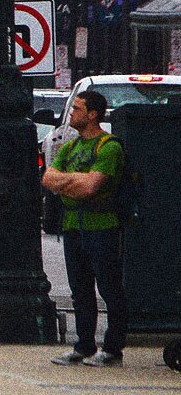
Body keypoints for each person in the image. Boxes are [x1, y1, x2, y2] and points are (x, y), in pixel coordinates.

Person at [44, 89, 129, 366]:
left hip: (102, 225)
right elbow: (49, 178)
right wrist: (76, 182)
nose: (72, 113)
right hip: (73, 225)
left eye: (77, 108)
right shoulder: (70, 146)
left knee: (109, 287)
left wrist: (68, 184)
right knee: (79, 289)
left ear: (93, 114)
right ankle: (84, 344)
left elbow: (93, 186)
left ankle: (113, 348)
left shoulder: (109, 147)